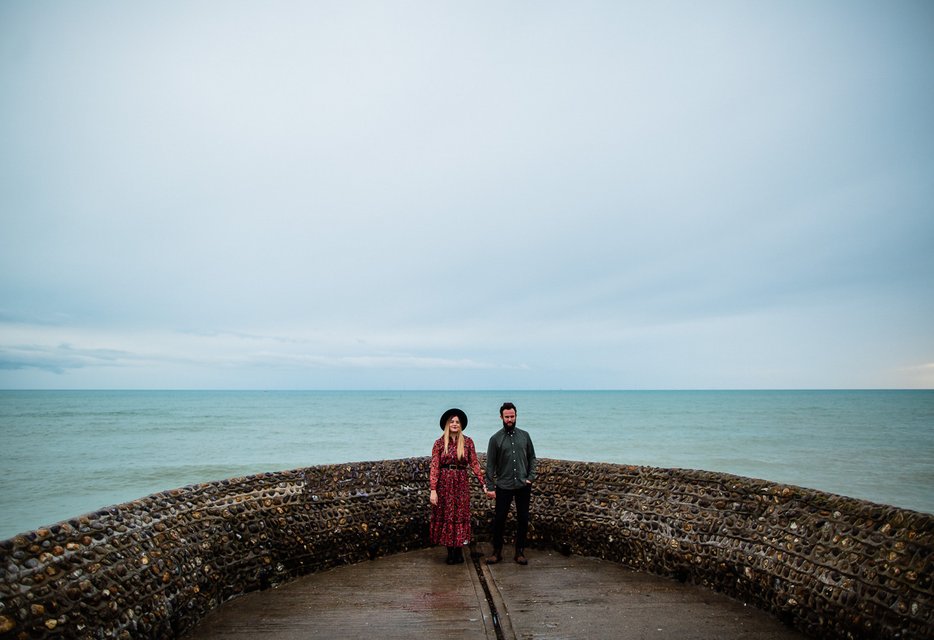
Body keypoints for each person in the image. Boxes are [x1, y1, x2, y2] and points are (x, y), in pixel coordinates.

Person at [430, 408, 495, 565]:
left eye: (457, 422)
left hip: (461, 484)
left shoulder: (468, 442)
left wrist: (484, 484)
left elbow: (474, 464)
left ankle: (458, 551)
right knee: (446, 516)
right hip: (444, 484)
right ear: (447, 424)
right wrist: (433, 490)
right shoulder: (439, 443)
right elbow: (435, 466)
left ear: (461, 425)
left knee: (459, 516)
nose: (454, 424)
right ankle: (450, 552)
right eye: (452, 421)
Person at [485, 401, 537, 565]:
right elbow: (490, 465)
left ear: (516, 416)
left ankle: (519, 552)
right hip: (504, 486)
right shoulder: (495, 439)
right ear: (501, 417)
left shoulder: (525, 436)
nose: (510, 420)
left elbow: (532, 458)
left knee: (523, 519)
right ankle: (496, 552)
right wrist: (491, 486)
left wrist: (530, 477)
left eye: (512, 416)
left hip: (523, 485)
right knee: (499, 519)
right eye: (507, 417)